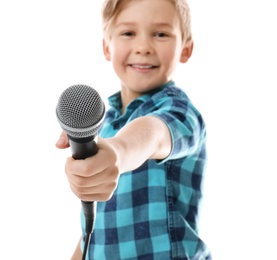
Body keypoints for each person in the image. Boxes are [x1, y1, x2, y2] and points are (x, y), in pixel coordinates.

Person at [56, 0, 212, 259]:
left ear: (186, 49)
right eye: (128, 33)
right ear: (107, 47)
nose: (143, 47)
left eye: (161, 34)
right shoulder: (104, 123)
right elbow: (92, 234)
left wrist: (117, 150)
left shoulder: (181, 111)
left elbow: (152, 134)